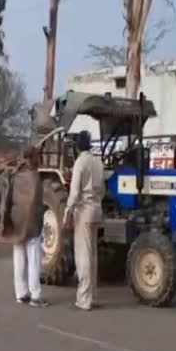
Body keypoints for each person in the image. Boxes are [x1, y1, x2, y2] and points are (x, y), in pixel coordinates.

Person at [64, 130, 105, 311]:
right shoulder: (98, 162)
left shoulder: (80, 163)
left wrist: (67, 211)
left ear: (77, 146)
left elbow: (74, 193)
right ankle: (93, 296)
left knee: (83, 257)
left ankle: (84, 299)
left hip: (83, 213)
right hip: (97, 210)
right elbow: (102, 190)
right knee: (93, 256)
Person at [5, 147, 47, 307]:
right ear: (33, 158)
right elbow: (37, 205)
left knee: (19, 257)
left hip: (17, 221)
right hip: (31, 225)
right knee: (34, 258)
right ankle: (35, 295)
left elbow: (8, 200)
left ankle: (21, 294)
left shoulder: (15, 175)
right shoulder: (35, 177)